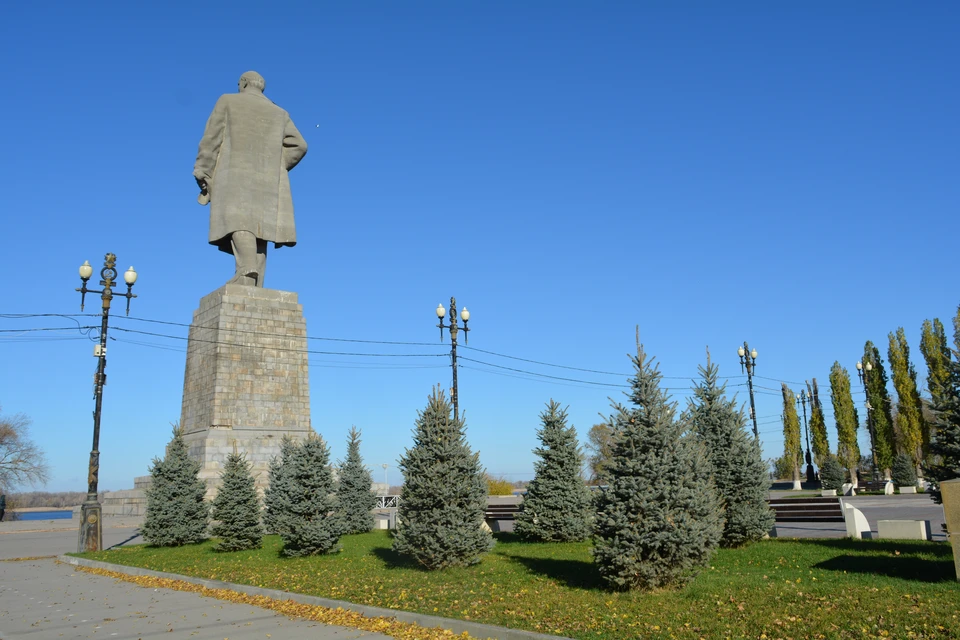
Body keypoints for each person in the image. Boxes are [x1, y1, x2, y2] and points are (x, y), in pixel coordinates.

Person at [193, 71, 308, 287]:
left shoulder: (228, 101)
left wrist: (203, 169)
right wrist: (277, 165)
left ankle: (246, 268)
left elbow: (211, 139)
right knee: (261, 230)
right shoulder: (279, 113)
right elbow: (300, 145)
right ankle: (254, 284)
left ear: (244, 83)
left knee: (238, 220)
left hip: (234, 172)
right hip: (269, 179)